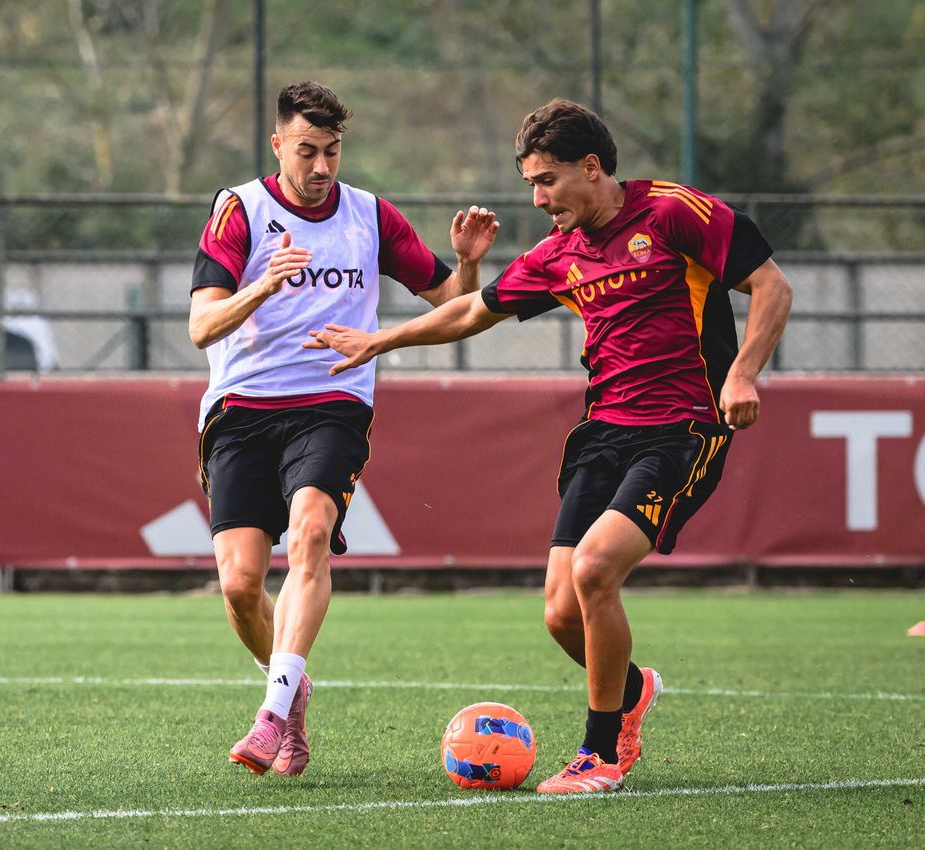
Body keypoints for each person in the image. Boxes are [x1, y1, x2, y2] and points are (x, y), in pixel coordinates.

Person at [305, 98, 792, 793]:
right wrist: (380, 339)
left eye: (548, 181)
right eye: (530, 182)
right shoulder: (556, 254)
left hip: (682, 429)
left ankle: (600, 753)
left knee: (595, 571)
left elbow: (771, 285)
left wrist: (743, 372)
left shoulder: (675, 213)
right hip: (603, 436)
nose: (537, 198)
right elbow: (475, 309)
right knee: (562, 613)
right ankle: (630, 691)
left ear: (592, 169)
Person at [189, 80, 498, 776]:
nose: (322, 166)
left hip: (332, 402)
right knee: (240, 584)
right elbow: (201, 325)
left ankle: (270, 715)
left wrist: (470, 261)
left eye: (331, 151)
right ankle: (292, 687)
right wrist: (264, 284)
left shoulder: (370, 215)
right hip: (241, 407)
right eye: (307, 151)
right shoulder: (241, 210)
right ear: (278, 147)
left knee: (310, 533)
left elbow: (453, 303)